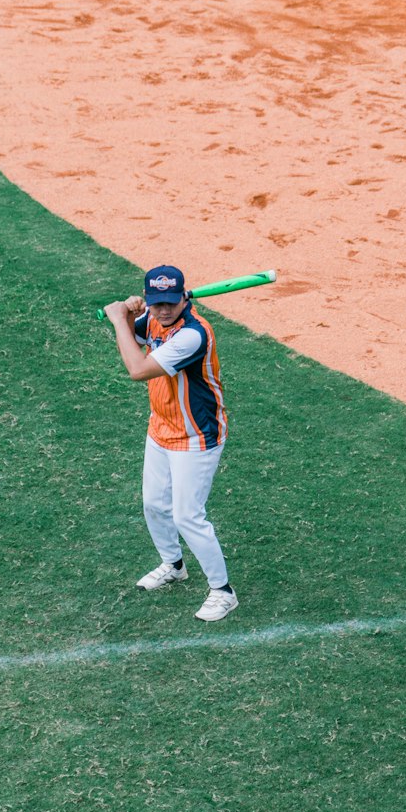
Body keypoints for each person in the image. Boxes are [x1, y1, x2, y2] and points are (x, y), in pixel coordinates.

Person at [103, 265, 238, 622]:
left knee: (187, 516)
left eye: (171, 302)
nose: (164, 310)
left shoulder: (193, 334)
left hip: (196, 436)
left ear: (184, 297)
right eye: (156, 302)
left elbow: (137, 369)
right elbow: (129, 333)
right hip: (161, 428)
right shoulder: (152, 318)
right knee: (153, 504)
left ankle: (223, 592)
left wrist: (119, 317)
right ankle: (174, 565)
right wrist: (130, 315)